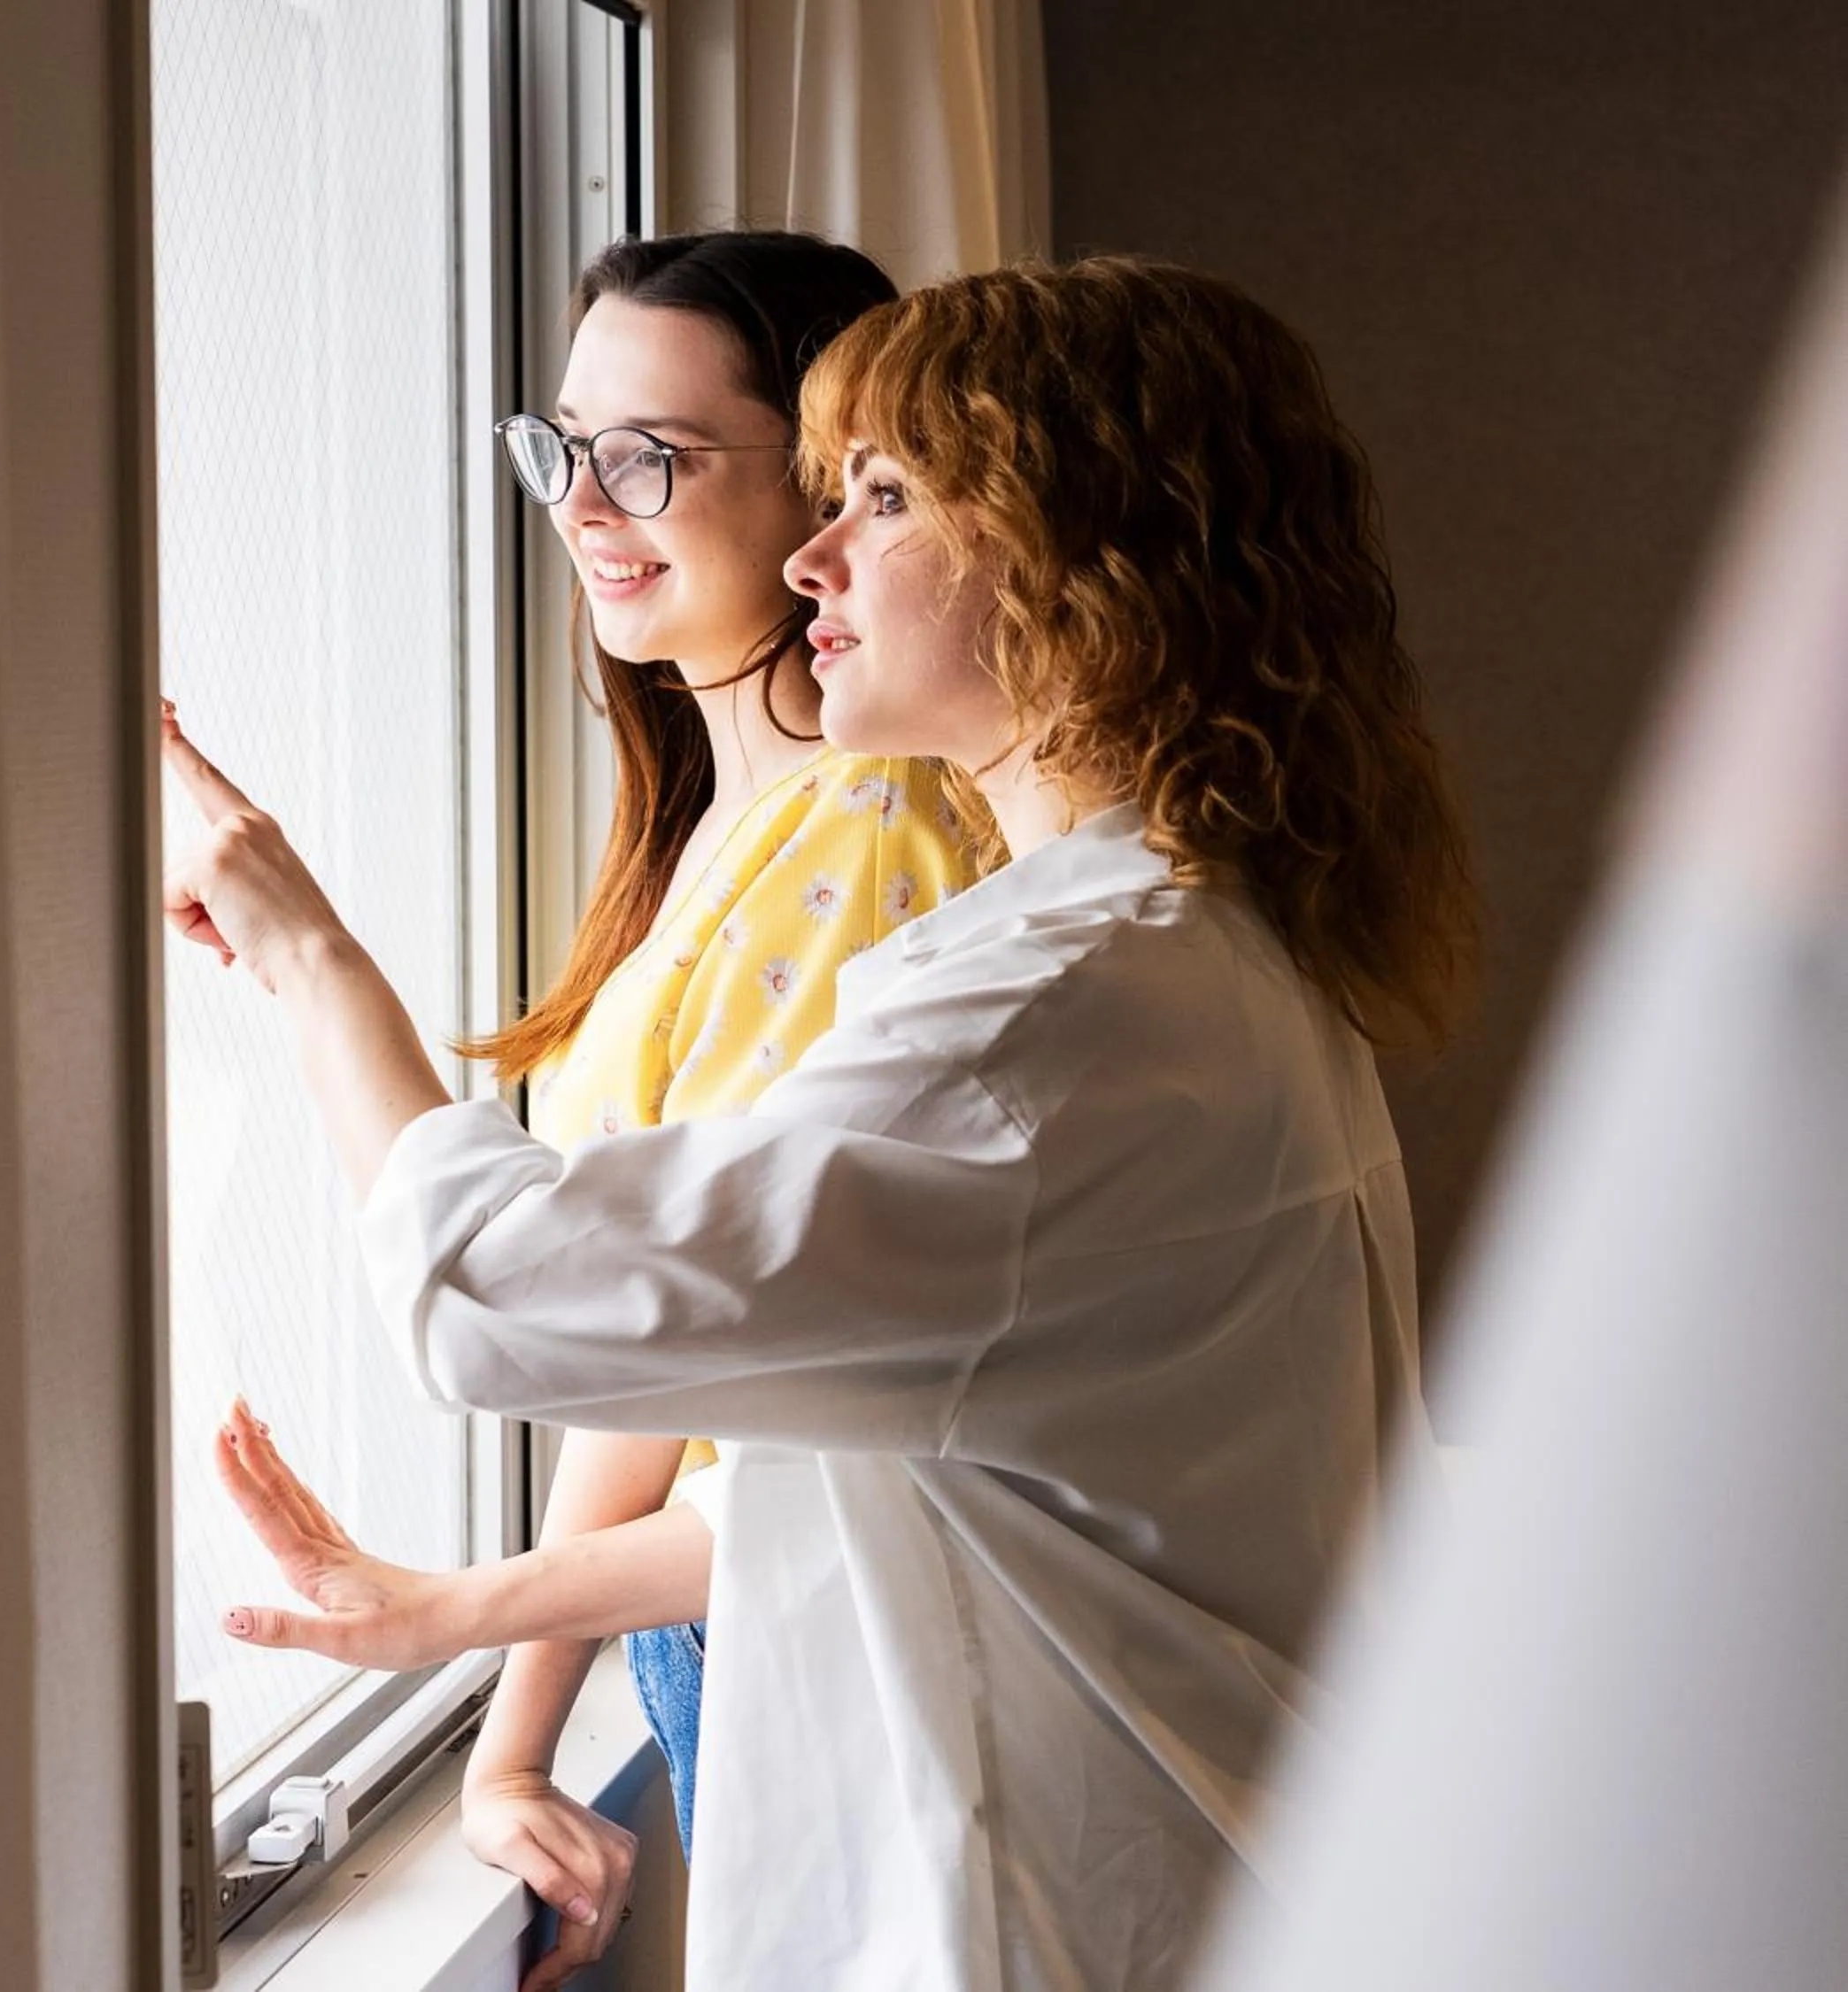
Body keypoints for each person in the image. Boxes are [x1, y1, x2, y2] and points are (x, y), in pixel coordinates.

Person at [164, 256, 1479, 1992]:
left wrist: (305, 949)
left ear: (1087, 558)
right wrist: (448, 1619)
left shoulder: (1052, 1017)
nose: (812, 556)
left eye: (882, 496)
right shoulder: (1185, 945)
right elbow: (902, 1464)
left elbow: (513, 1299)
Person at [461, 228, 981, 1964]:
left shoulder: (862, 827)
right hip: (718, 1600)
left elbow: (680, 1342)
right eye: (563, 448)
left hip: (780, 1601)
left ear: (829, 478)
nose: (585, 507)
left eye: (650, 457)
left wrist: (513, 1740)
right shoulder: (710, 826)